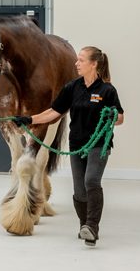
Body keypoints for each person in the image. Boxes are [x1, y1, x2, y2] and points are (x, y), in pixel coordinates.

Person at [13, 46, 124, 247]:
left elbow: (121, 117)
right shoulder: (73, 87)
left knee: (91, 180)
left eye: (81, 60)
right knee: (79, 191)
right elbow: (53, 113)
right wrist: (29, 119)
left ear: (94, 64)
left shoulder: (107, 90)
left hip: (98, 144)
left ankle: (92, 226)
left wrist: (113, 115)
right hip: (77, 146)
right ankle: (85, 226)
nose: (76, 63)